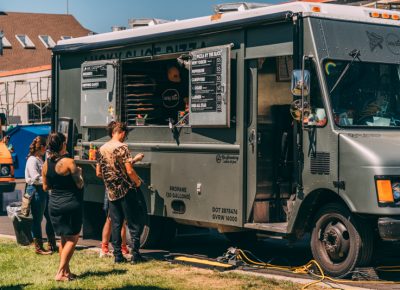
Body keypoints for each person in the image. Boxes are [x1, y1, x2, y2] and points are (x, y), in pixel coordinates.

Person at [96, 121, 145, 264]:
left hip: (111, 191)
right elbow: (129, 170)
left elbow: (99, 172)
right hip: (126, 190)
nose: (125, 137)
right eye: (125, 134)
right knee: (134, 222)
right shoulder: (122, 147)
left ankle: (118, 256)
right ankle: (135, 255)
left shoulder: (101, 149)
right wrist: (137, 182)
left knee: (116, 223)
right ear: (121, 132)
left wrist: (111, 180)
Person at [42, 132, 84, 281]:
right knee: (73, 238)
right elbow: (79, 184)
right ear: (62, 145)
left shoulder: (46, 164)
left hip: (54, 204)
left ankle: (67, 272)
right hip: (71, 203)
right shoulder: (69, 162)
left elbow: (45, 187)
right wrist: (79, 172)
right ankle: (60, 273)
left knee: (64, 239)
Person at [25, 136, 57, 255]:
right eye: (46, 148)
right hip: (36, 190)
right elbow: (35, 178)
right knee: (37, 220)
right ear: (42, 147)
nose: (47, 150)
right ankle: (38, 247)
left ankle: (51, 243)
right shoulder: (32, 160)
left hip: (42, 190)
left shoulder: (40, 159)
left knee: (49, 217)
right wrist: (48, 181)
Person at [100, 189, 129, 258]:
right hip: (120, 190)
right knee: (120, 220)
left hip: (111, 190)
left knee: (110, 219)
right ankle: (123, 248)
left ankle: (105, 247)